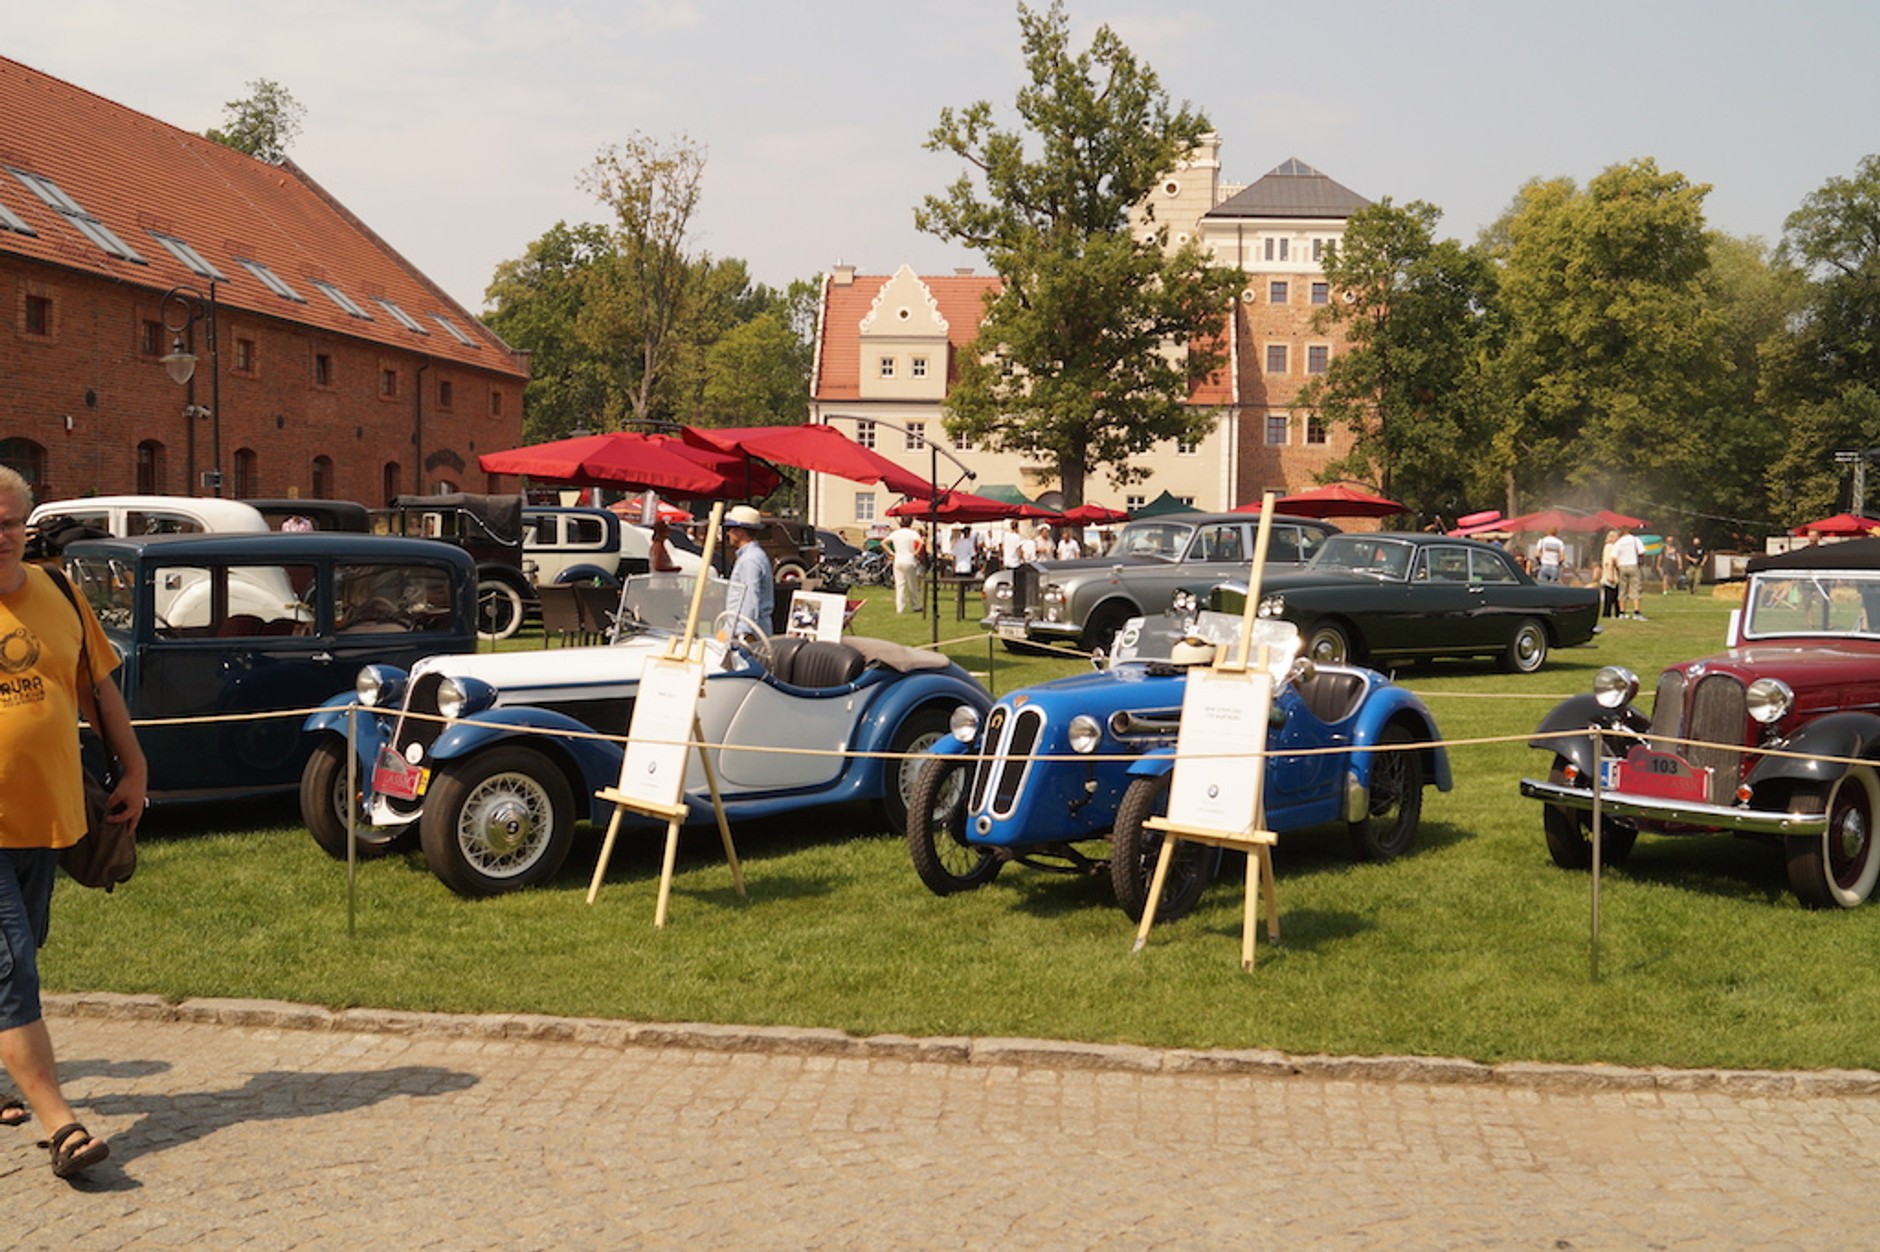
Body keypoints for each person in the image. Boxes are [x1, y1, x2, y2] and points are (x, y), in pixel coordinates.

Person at [0, 465, 145, 1180]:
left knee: (23, 950)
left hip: (47, 813)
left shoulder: (58, 592)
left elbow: (98, 688)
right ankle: (62, 1124)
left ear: (23, 529)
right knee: (12, 964)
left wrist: (135, 768)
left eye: (7, 523)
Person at [721, 505, 774, 633]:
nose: (728, 533)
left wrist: (742, 633)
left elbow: (750, 599)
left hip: (747, 633)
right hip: (748, 630)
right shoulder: (753, 556)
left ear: (740, 532)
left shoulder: (750, 560)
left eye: (730, 528)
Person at [886, 519, 924, 614]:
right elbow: (921, 542)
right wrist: (916, 552)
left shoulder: (896, 533)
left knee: (899, 585)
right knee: (912, 585)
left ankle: (900, 608)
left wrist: (892, 553)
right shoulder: (912, 533)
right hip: (909, 559)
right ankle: (915, 605)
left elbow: (883, 542)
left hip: (898, 560)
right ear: (910, 523)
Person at [1612, 525, 1646, 620]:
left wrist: (1618, 567)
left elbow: (1614, 557)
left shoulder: (1618, 542)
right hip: (1633, 565)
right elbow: (1642, 552)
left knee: (1622, 590)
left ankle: (1622, 613)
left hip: (1622, 566)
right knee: (1635, 589)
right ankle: (1636, 612)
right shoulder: (1635, 540)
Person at [1599, 530, 1621, 619]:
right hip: (1610, 572)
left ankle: (1616, 612)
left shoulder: (1610, 547)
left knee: (1614, 594)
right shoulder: (1610, 547)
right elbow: (1609, 561)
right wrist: (1611, 574)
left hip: (1611, 572)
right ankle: (1608, 613)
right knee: (1611, 594)